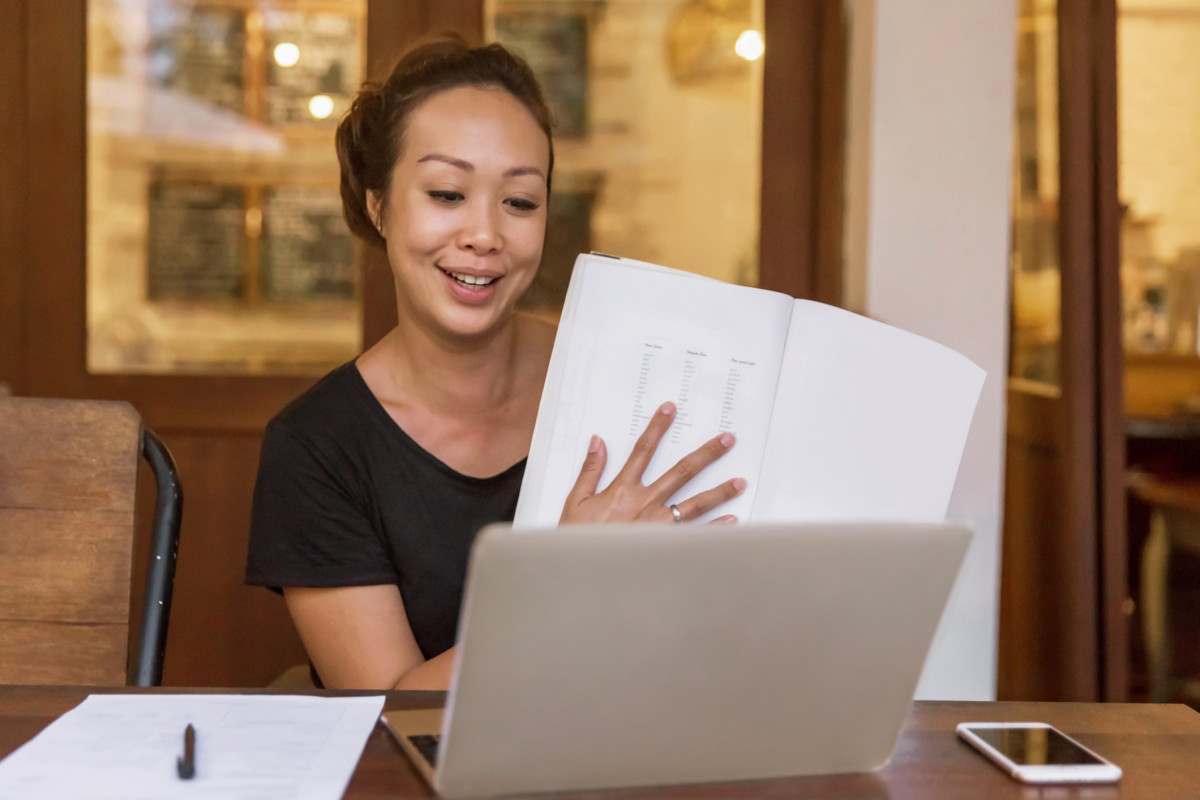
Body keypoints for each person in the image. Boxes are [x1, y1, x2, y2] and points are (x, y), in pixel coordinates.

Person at [245, 36, 745, 691]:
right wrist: (564, 578)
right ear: (377, 204)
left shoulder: (628, 379)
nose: (485, 235)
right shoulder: (316, 447)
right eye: (447, 193)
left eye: (519, 202)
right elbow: (386, 711)